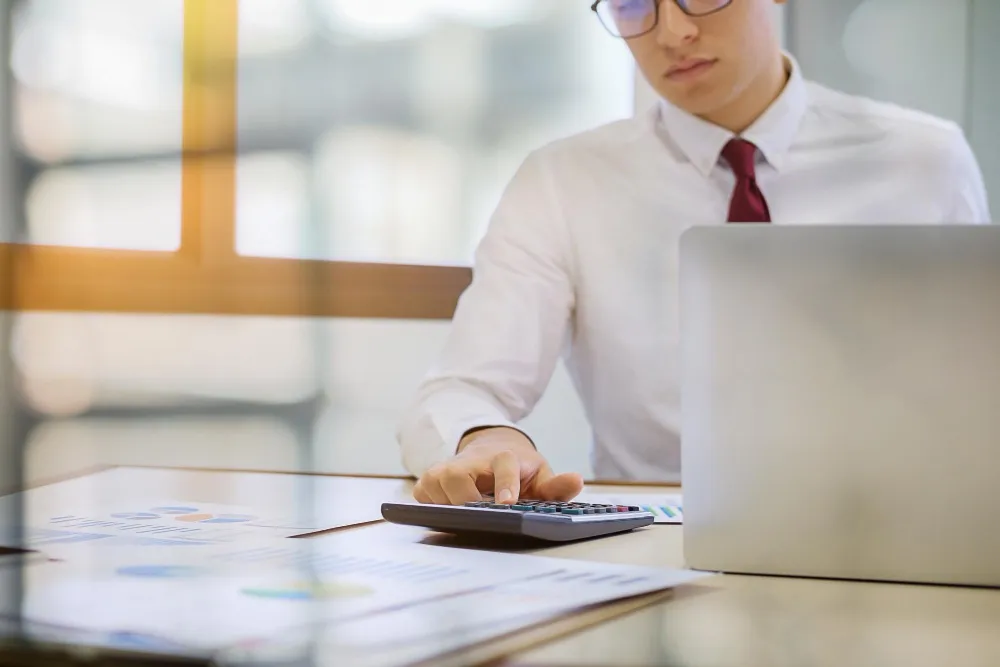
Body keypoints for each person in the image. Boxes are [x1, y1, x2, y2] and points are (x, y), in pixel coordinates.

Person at [396, 0, 992, 506]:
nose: (672, 32)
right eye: (633, 4)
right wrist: (484, 438)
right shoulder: (564, 181)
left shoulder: (924, 162)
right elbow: (461, 388)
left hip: (882, 528)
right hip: (655, 541)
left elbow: (978, 392)